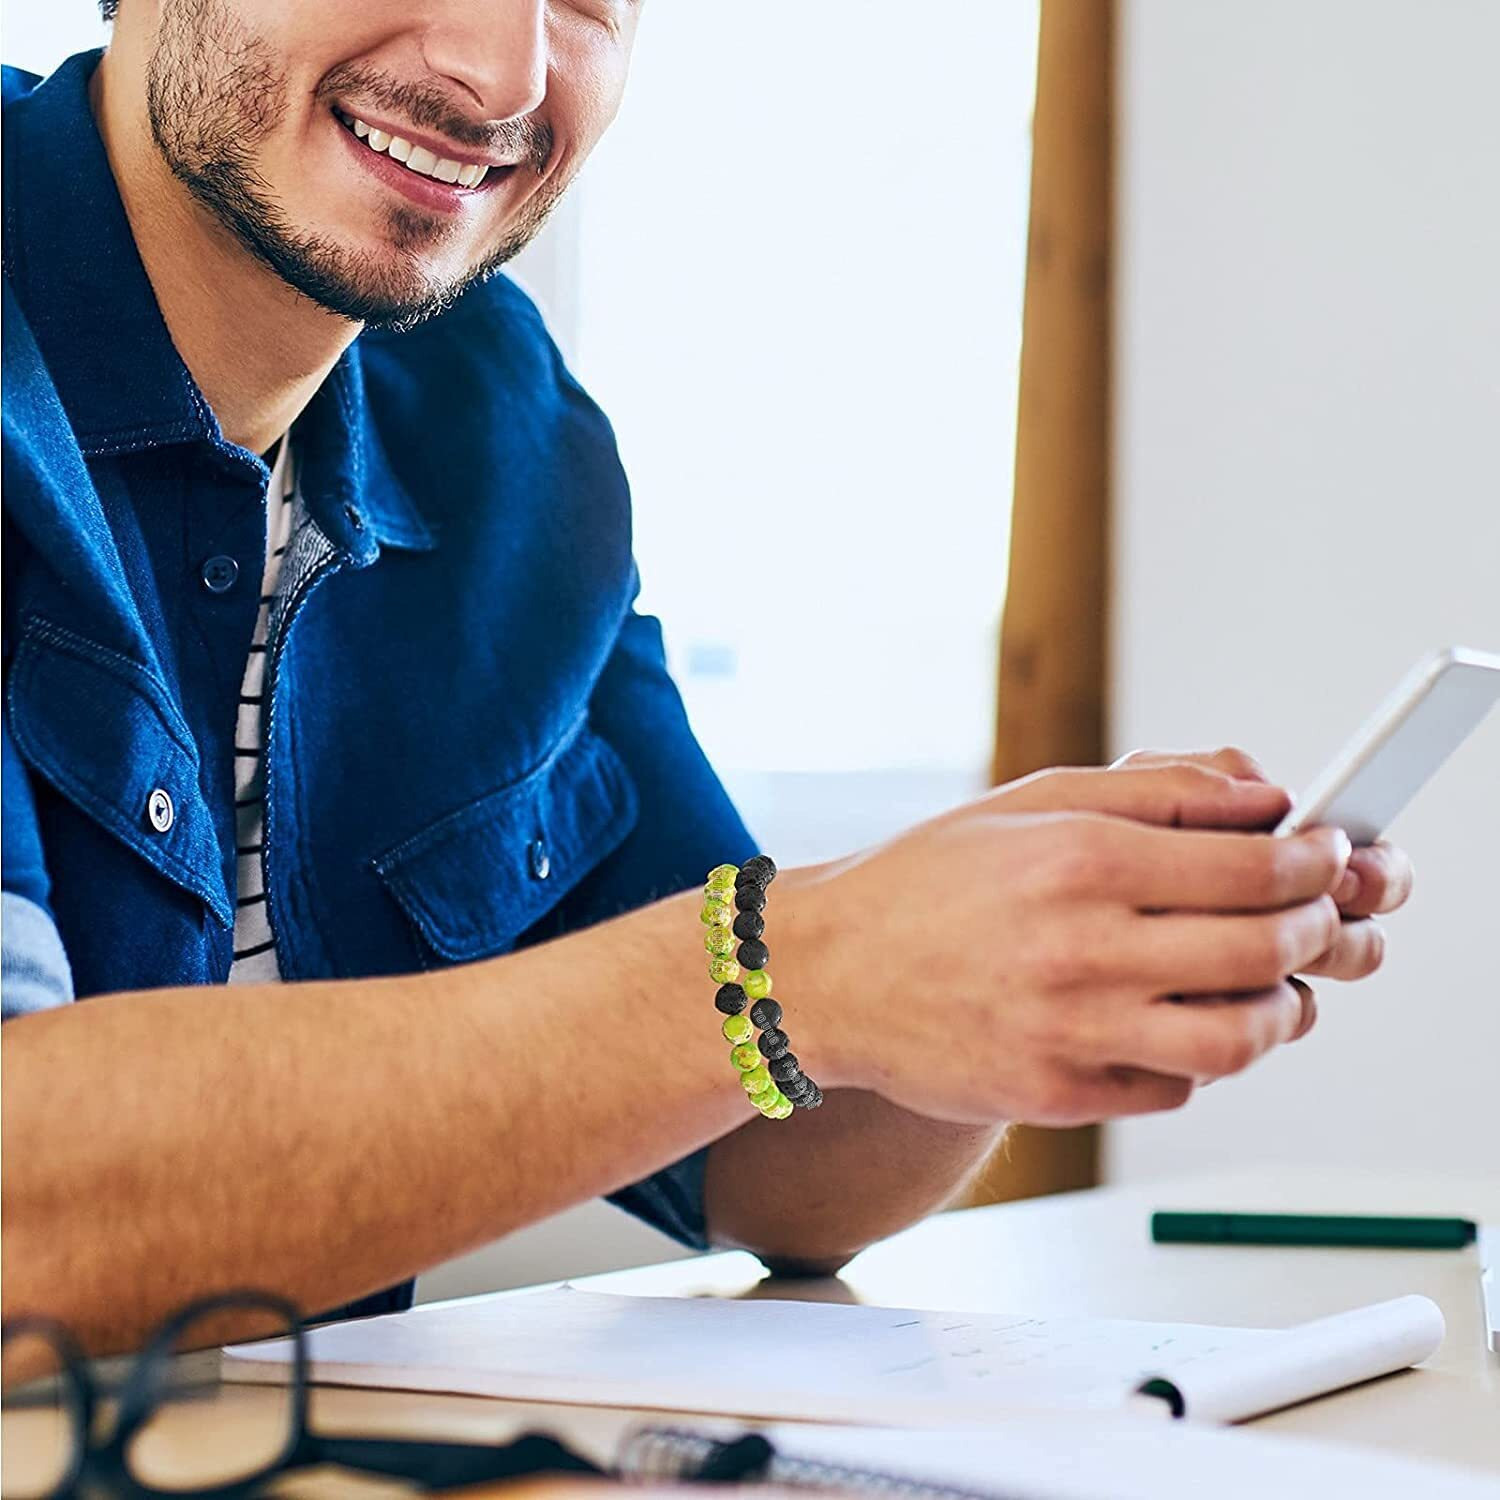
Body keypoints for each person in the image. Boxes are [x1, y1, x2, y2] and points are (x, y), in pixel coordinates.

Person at [0, 0, 1411, 1357]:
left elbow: (763, 1158)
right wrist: (816, 966)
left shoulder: (507, 431)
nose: (504, 72)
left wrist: (1010, 960)